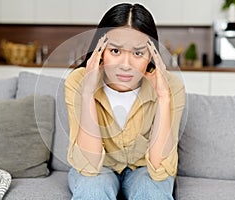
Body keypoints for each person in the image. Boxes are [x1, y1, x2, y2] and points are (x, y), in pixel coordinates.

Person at [64, 3, 185, 200]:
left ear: (151, 55)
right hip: (99, 168)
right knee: (92, 190)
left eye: (138, 53)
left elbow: (159, 169)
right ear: (100, 50)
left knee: (151, 192)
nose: (125, 66)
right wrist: (87, 92)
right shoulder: (78, 81)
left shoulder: (171, 87)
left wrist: (163, 97)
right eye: (115, 51)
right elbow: (89, 165)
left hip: (144, 168)